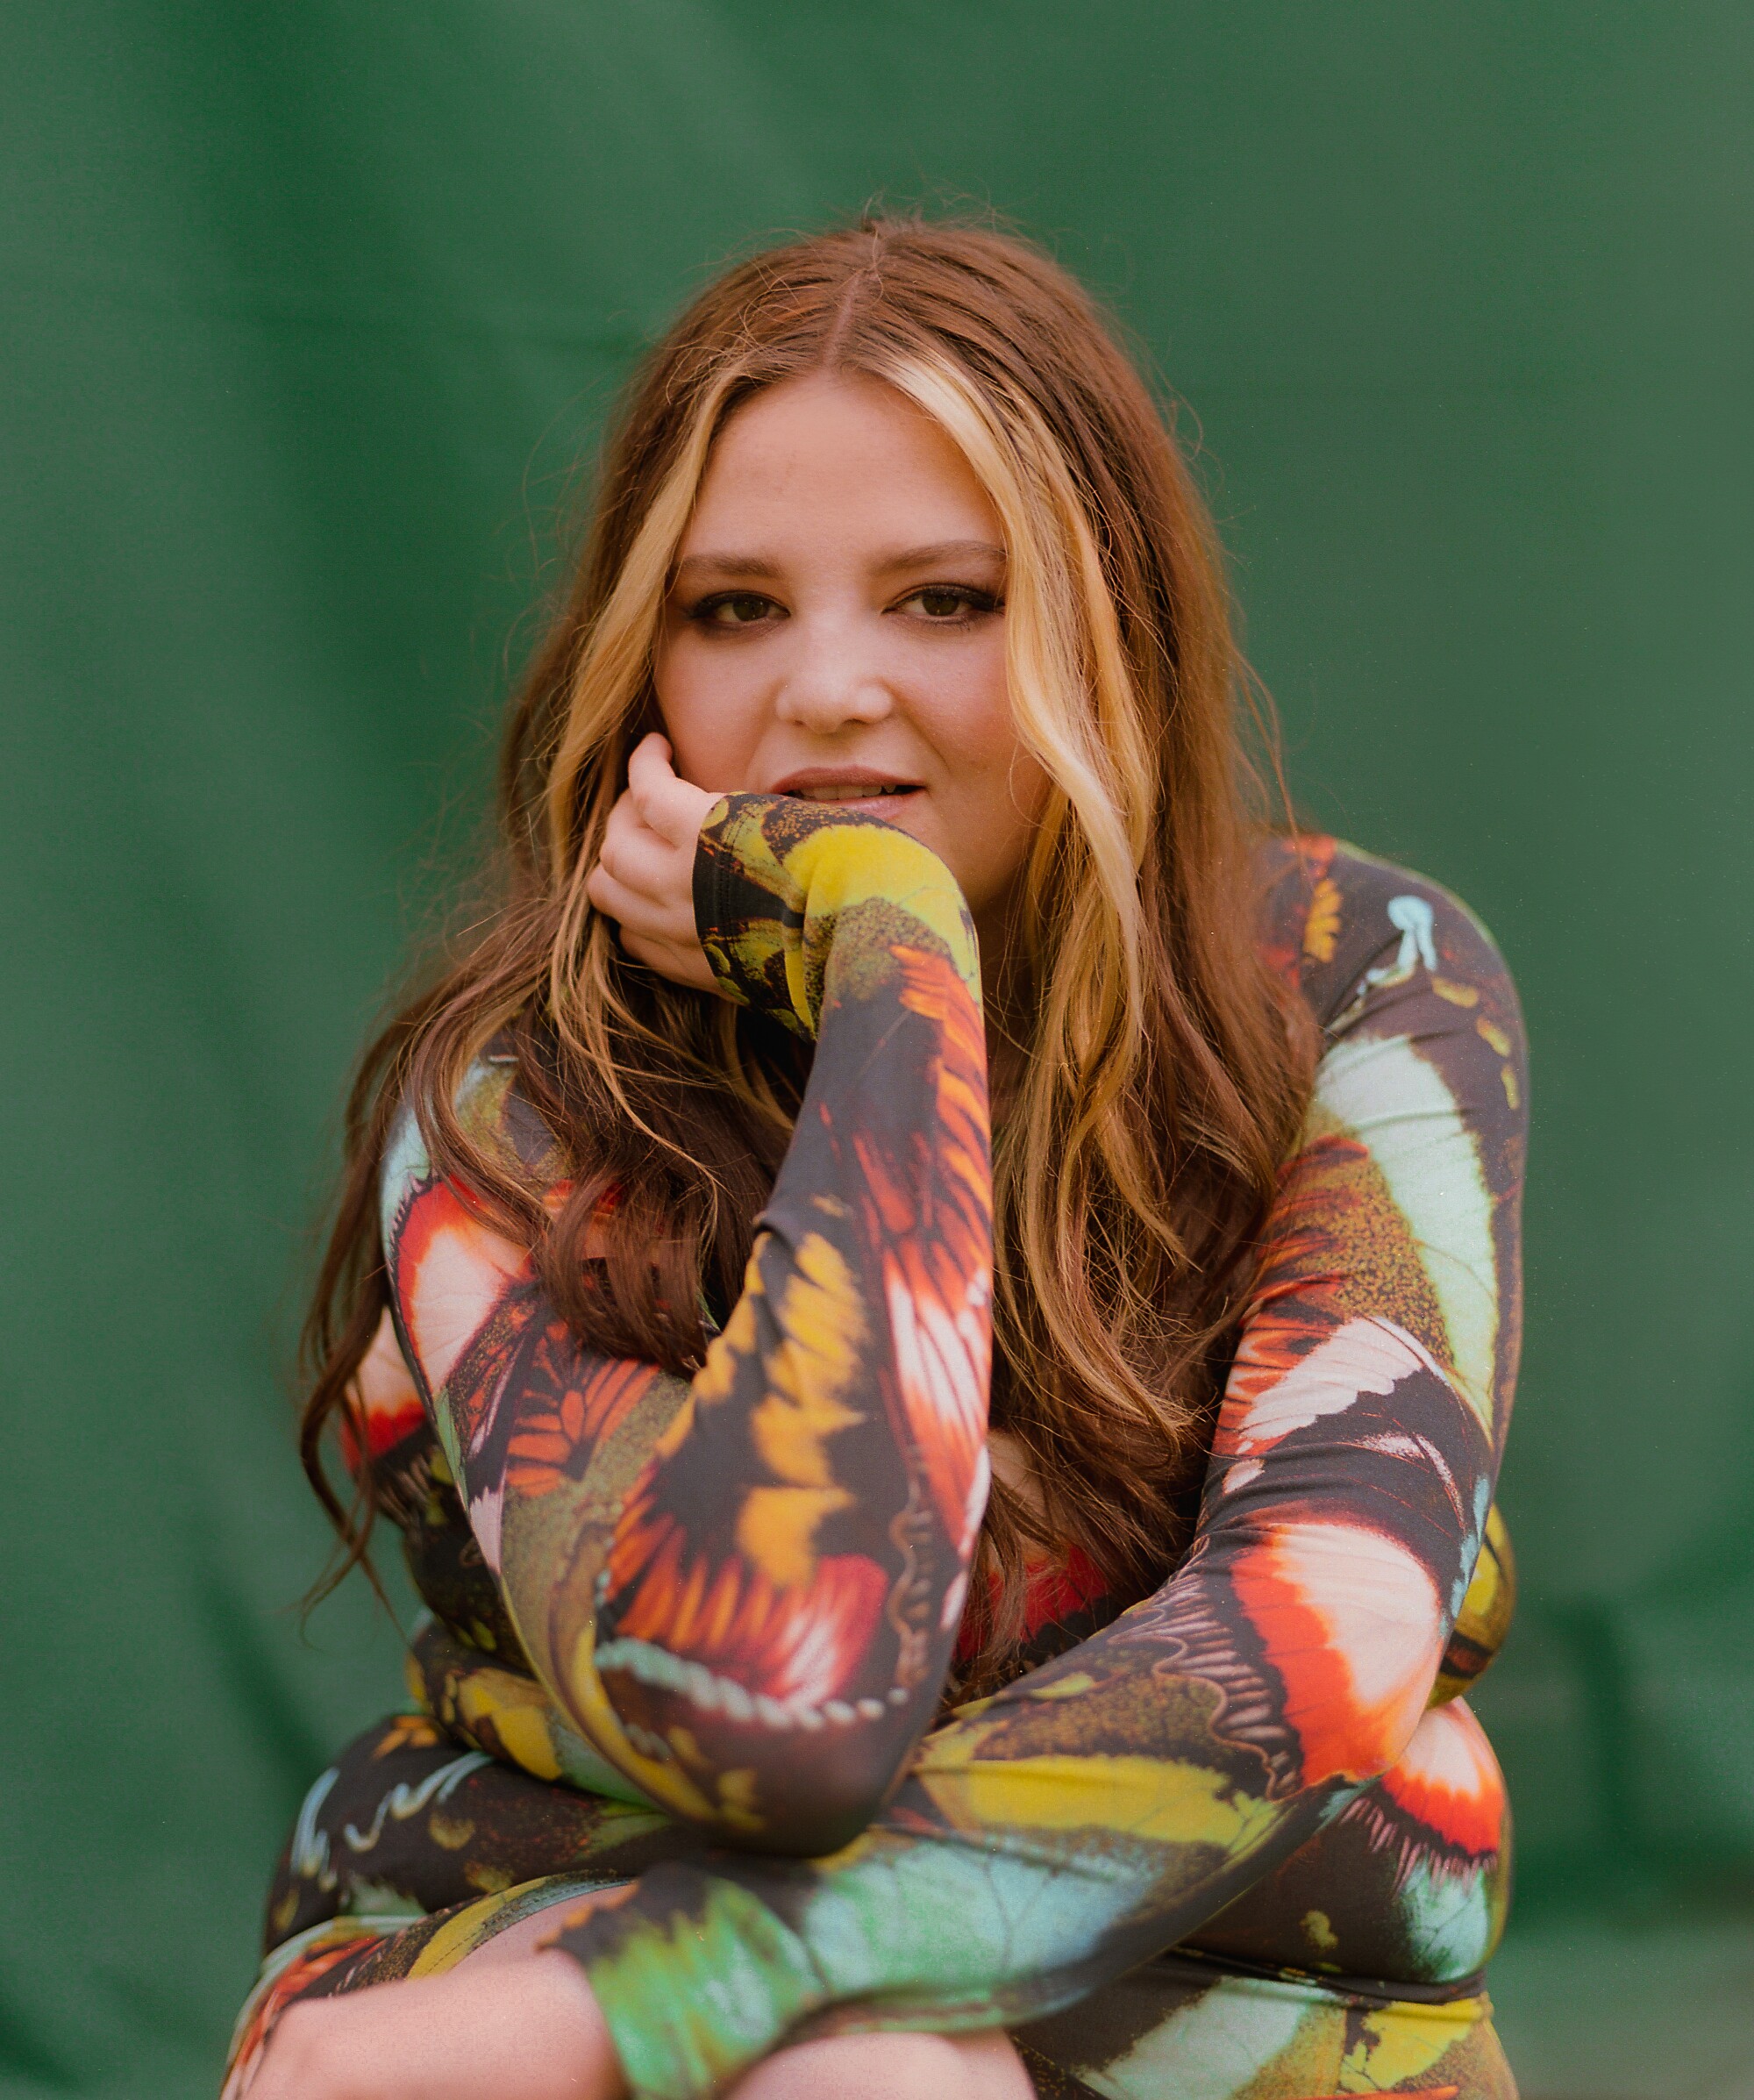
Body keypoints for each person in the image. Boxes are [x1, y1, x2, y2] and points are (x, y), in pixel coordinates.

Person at [225, 219, 1526, 2100]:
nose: (827, 690)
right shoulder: (522, 1102)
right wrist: (887, 958)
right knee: (872, 2075)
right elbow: (772, 1713)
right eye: (733, 607)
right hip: (540, 1951)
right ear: (640, 655)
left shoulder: (1361, 989)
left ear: (1111, 623)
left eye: (943, 599)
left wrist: (632, 1998)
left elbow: (1323, 1626)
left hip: (1241, 2005)